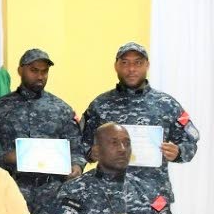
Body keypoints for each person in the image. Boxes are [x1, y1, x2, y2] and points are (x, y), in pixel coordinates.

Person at [0, 49, 84, 214]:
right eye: (34, 70)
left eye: (44, 72)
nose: (40, 76)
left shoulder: (61, 109)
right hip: (11, 190)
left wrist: (76, 166)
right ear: (20, 70)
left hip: (52, 193)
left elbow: (77, 149)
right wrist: (6, 157)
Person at [43, 123, 195, 214]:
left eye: (127, 143)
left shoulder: (149, 190)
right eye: (114, 143)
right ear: (96, 151)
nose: (122, 149)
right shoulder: (73, 190)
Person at [79, 42, 199, 201]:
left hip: (153, 197)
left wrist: (178, 152)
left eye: (138, 63)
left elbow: (190, 142)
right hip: (107, 197)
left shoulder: (167, 104)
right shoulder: (100, 105)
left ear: (147, 65)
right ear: (116, 66)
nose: (131, 69)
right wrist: (90, 153)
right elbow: (80, 143)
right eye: (125, 63)